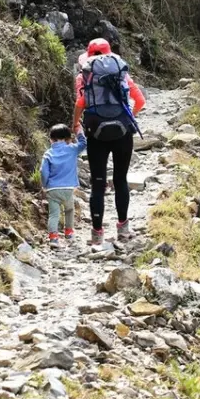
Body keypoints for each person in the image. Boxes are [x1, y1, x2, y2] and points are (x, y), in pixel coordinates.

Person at [72, 38, 145, 245]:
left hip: (96, 133)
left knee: (98, 183)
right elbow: (140, 101)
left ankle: (96, 235)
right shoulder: (121, 73)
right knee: (121, 179)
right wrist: (130, 117)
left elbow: (80, 103)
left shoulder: (84, 75)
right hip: (122, 132)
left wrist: (75, 124)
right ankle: (123, 230)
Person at [40, 124, 87, 249]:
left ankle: (54, 238)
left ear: (51, 139)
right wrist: (79, 132)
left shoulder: (48, 153)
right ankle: (69, 233)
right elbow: (83, 144)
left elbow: (43, 172)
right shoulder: (72, 149)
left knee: (54, 214)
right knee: (69, 211)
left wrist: (44, 185)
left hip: (53, 189)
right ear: (67, 138)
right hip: (68, 189)